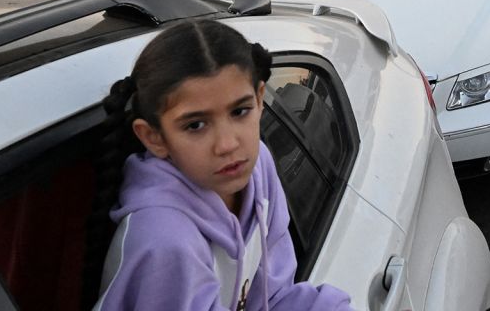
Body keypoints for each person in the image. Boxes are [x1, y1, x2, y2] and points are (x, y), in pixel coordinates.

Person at [91, 20, 353, 311]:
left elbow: (274, 297)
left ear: (260, 98)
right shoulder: (165, 241)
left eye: (240, 111)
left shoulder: (258, 167)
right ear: (154, 138)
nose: (227, 144)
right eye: (196, 125)